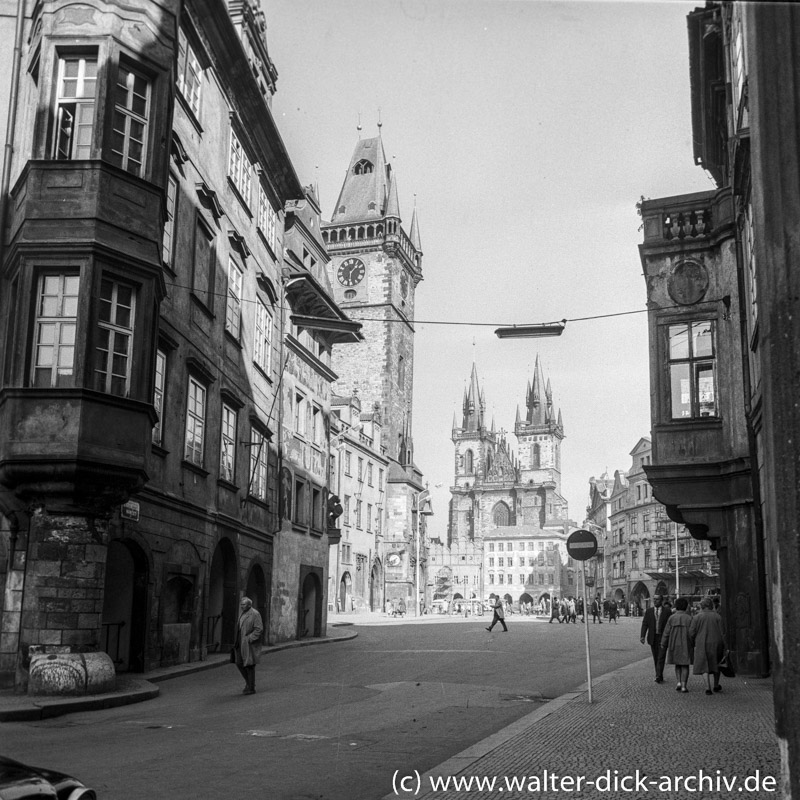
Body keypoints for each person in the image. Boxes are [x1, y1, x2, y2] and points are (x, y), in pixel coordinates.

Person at [689, 597, 726, 695]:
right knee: (716, 663)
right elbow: (723, 633)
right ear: (711, 605)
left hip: (701, 643)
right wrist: (725, 645)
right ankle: (716, 685)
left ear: (702, 606)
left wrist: (692, 642)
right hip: (716, 642)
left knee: (704, 664)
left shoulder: (697, 617)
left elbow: (691, 632)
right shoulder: (718, 616)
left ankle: (707, 687)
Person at [660, 597, 693, 693]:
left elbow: (666, 632)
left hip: (674, 643)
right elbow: (692, 632)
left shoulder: (672, 618)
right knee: (685, 664)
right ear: (686, 606)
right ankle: (684, 685)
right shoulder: (689, 618)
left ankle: (678, 682)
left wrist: (663, 643)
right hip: (686, 643)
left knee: (677, 663)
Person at [233, 596, 263, 695]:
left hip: (247, 643)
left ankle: (251, 687)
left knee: (249, 665)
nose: (242, 606)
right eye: (241, 604)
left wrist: (250, 638)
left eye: (244, 604)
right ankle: (249, 683)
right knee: (239, 662)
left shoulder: (255, 614)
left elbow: (259, 629)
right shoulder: (242, 613)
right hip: (239, 642)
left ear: (249, 605)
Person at [640, 596, 668, 683]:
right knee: (656, 657)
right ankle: (659, 674)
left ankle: (658, 675)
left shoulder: (667, 611)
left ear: (661, 600)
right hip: (653, 637)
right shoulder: (649, 611)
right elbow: (645, 624)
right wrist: (642, 636)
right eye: (654, 599)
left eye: (657, 599)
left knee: (661, 656)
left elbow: (669, 625)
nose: (655, 601)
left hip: (663, 637)